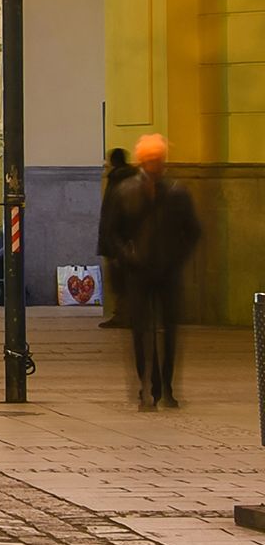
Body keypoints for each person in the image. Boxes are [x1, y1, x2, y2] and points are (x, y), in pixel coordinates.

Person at [112, 133, 200, 409]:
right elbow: (113, 232)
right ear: (142, 161)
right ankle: (146, 386)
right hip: (138, 272)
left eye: (159, 159)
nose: (155, 164)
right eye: (150, 159)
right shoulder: (126, 191)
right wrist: (128, 255)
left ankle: (167, 387)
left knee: (169, 331)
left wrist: (178, 257)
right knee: (141, 331)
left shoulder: (176, 192)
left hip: (167, 271)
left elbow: (193, 230)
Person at [95, 146, 137, 329]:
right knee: (124, 281)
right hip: (124, 239)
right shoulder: (131, 179)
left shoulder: (118, 180)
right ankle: (126, 315)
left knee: (121, 282)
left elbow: (113, 213)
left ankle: (124, 315)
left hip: (119, 240)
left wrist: (113, 241)